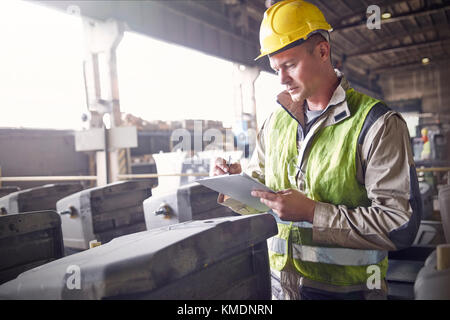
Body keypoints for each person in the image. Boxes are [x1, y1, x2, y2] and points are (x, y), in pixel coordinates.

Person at [212, 0, 421, 300]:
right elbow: (262, 199)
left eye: (290, 65)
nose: (281, 79)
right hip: (281, 289)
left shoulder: (376, 124)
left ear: (323, 51)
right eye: (275, 68)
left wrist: (312, 212)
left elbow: (400, 225)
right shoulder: (275, 123)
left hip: (349, 293)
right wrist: (233, 183)